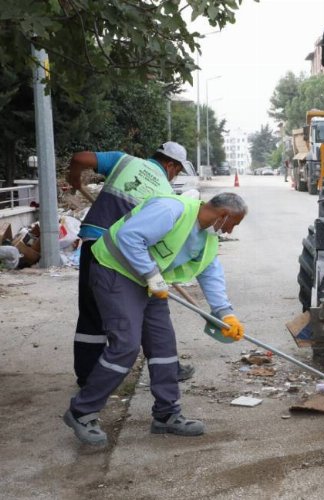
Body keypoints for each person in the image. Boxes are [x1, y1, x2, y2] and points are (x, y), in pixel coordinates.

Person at [63, 192, 247, 446]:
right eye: (233, 224)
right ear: (224, 215)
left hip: (151, 282)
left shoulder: (207, 238)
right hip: (116, 272)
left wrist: (226, 313)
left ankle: (167, 414)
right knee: (126, 346)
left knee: (163, 348)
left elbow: (210, 272)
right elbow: (129, 237)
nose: (229, 231)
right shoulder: (172, 209)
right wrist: (150, 273)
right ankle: (81, 412)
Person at [67, 142, 195, 388]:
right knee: (148, 309)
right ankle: (168, 367)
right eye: (177, 171)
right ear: (170, 164)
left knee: (91, 312)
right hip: (122, 254)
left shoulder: (123, 160)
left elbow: (80, 157)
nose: (175, 176)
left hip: (94, 240)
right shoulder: (165, 192)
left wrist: (74, 178)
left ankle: (86, 375)